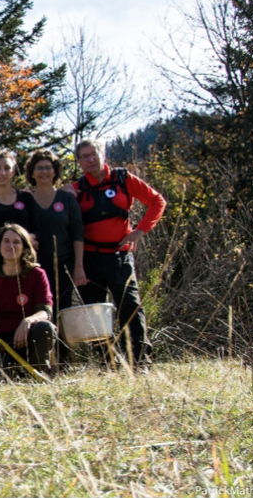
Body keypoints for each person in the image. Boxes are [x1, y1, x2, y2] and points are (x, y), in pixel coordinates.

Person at [70, 138, 166, 368]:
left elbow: (156, 201)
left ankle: (140, 361)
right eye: (84, 156)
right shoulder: (76, 189)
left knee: (130, 306)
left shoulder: (123, 179)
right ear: (79, 162)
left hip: (120, 256)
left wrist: (140, 231)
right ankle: (107, 363)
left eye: (94, 154)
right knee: (95, 311)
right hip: (90, 258)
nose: (90, 160)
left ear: (103, 154)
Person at [0, 223, 57, 378]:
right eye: (6, 241)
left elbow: (46, 310)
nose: (10, 245)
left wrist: (28, 321)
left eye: (16, 242)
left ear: (25, 248)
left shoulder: (37, 274)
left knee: (45, 327)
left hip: (28, 337)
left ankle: (36, 374)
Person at [24, 149, 86, 312]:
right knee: (37, 310)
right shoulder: (24, 199)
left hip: (64, 265)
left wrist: (78, 267)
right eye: (39, 168)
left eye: (48, 167)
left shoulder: (67, 199)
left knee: (63, 310)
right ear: (32, 173)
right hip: (34, 267)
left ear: (55, 171)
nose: (44, 172)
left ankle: (61, 339)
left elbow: (77, 233)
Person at [0, 150, 40, 266]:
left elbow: (37, 229)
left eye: (7, 168)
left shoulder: (26, 198)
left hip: (25, 262)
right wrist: (21, 239)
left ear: (13, 171)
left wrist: (32, 237)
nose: (3, 172)